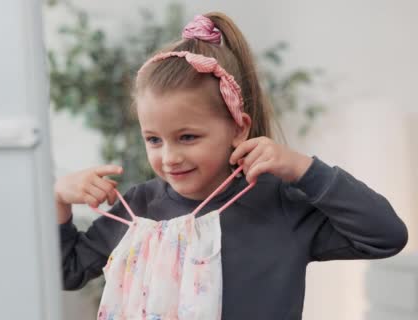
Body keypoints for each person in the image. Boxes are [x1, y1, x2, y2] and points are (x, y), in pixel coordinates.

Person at [54, 12, 408, 319]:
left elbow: (386, 235)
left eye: (188, 137)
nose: (169, 157)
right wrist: (59, 203)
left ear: (239, 128)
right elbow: (67, 272)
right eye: (153, 140)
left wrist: (304, 169)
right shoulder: (140, 210)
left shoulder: (279, 205)